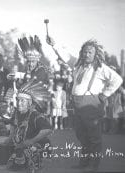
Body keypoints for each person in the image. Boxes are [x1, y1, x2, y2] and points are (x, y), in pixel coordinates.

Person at [47, 37, 123, 172]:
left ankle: (93, 164)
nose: (87, 54)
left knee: (93, 136)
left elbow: (117, 79)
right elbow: (66, 57)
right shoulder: (78, 65)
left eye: (90, 52)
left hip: (91, 104)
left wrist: (105, 94)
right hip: (77, 103)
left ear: (96, 54)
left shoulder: (100, 68)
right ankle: (84, 162)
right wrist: (54, 45)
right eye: (85, 52)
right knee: (81, 134)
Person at [3, 80, 52, 171]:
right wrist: (10, 138)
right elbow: (13, 125)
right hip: (22, 144)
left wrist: (31, 141)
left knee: (27, 156)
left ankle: (36, 162)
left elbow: (47, 130)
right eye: (18, 100)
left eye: (22, 101)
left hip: (35, 144)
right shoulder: (17, 113)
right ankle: (21, 160)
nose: (19, 103)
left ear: (29, 103)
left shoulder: (35, 114)